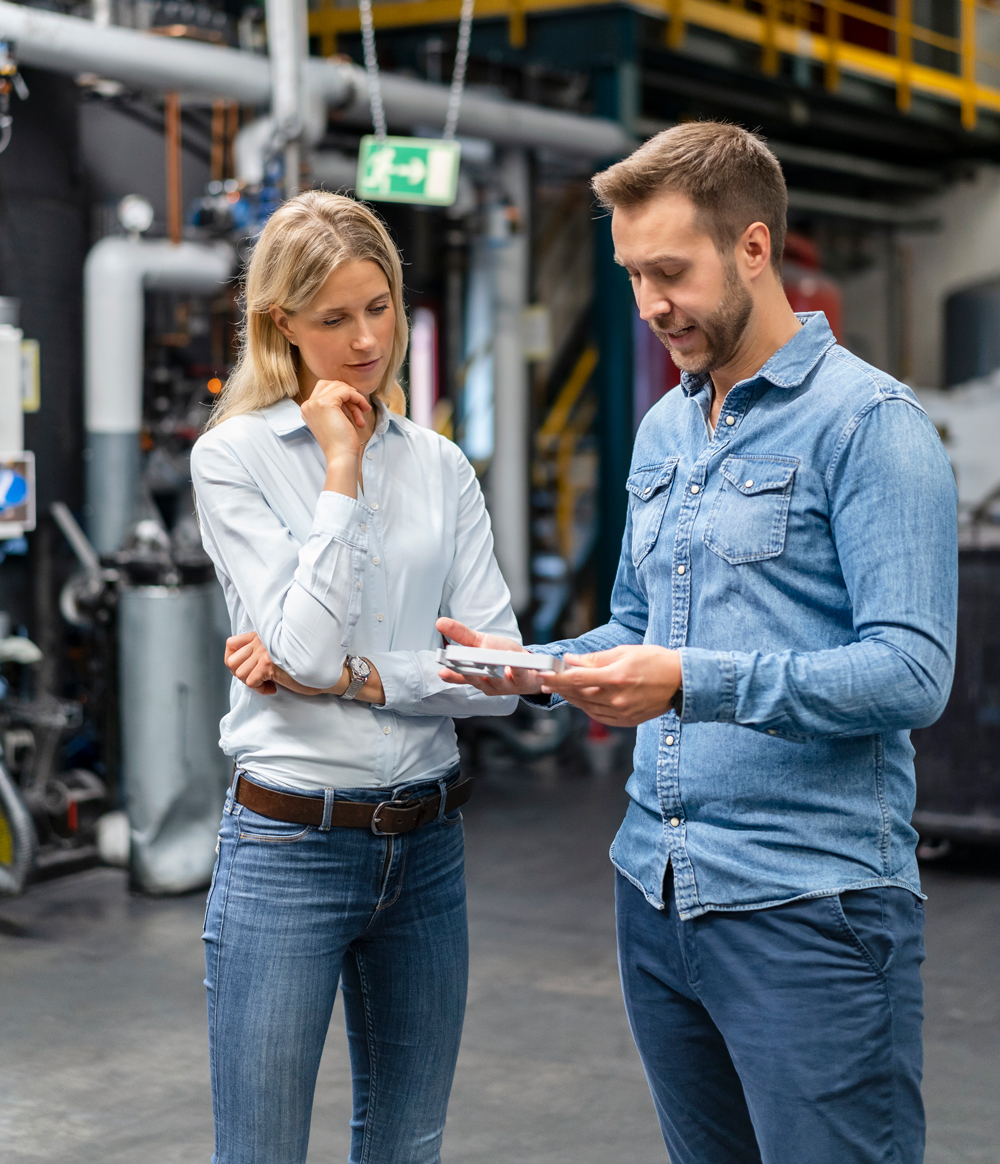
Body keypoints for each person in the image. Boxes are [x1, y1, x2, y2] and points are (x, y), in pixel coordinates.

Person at [436, 122, 957, 1164]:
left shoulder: (867, 426)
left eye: (669, 272)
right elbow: (640, 626)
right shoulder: (666, 429)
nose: (648, 306)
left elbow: (911, 670)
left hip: (808, 906)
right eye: (631, 275)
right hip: (658, 895)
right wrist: (530, 663)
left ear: (753, 248)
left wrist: (688, 684)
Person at [190, 190, 520, 1164]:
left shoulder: (442, 468)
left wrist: (363, 677)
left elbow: (497, 676)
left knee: (407, 1146)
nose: (367, 340)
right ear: (280, 325)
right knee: (259, 1152)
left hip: (428, 849)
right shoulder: (235, 459)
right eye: (333, 319)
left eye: (378, 307)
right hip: (290, 847)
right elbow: (294, 655)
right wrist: (340, 469)